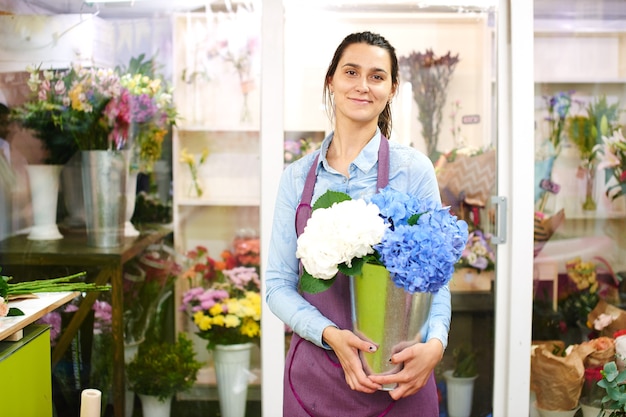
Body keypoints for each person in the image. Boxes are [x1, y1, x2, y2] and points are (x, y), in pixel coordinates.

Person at [265, 31, 450, 416]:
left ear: (392, 88)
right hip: (315, 378)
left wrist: (435, 345)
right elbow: (277, 284)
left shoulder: (412, 170)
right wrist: (330, 335)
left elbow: (437, 277)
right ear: (331, 80)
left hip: (397, 377)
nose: (363, 86)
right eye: (351, 72)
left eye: (377, 76)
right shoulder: (297, 178)